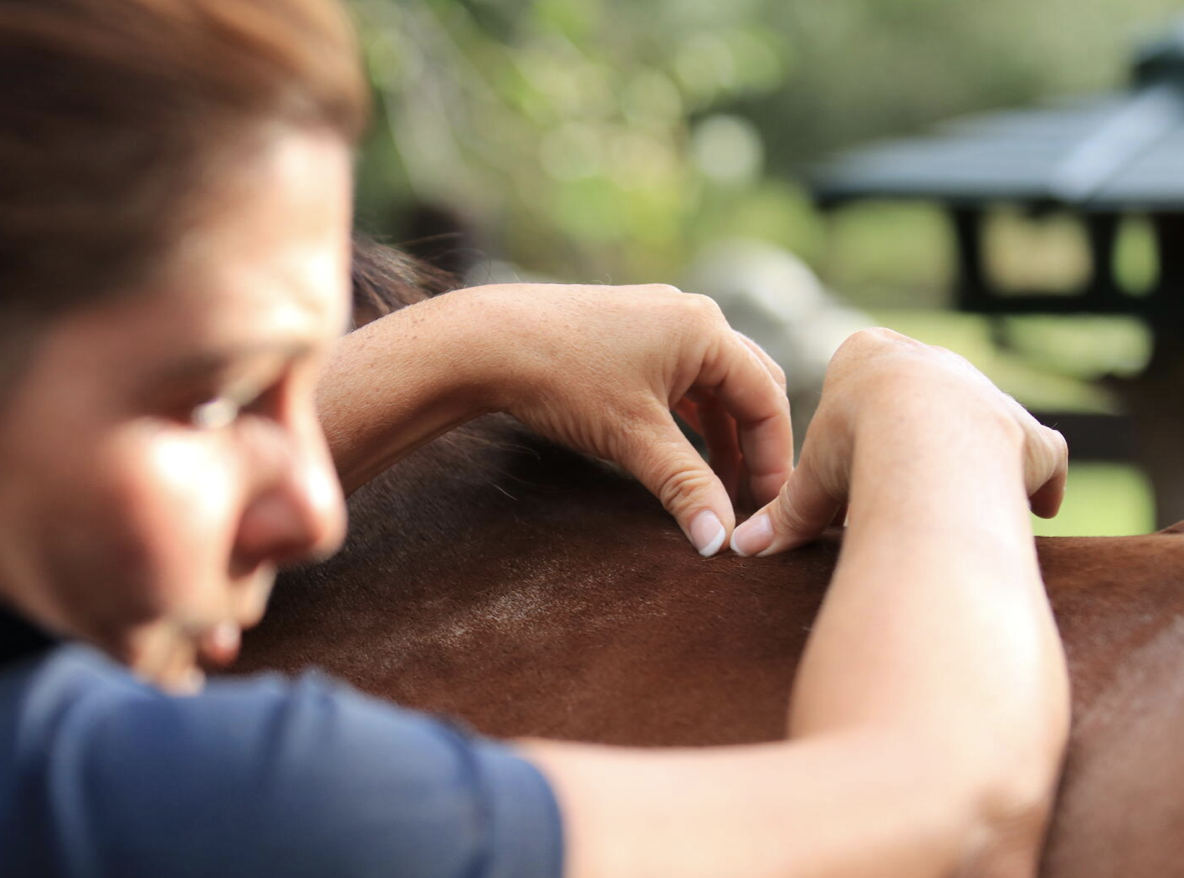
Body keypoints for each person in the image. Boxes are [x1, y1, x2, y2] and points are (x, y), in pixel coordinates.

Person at [0, 1, 1070, 876]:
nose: (315, 505)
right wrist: (937, 415)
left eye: (296, 378)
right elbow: (947, 817)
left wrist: (466, 342)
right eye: (213, 402)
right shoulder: (121, 796)